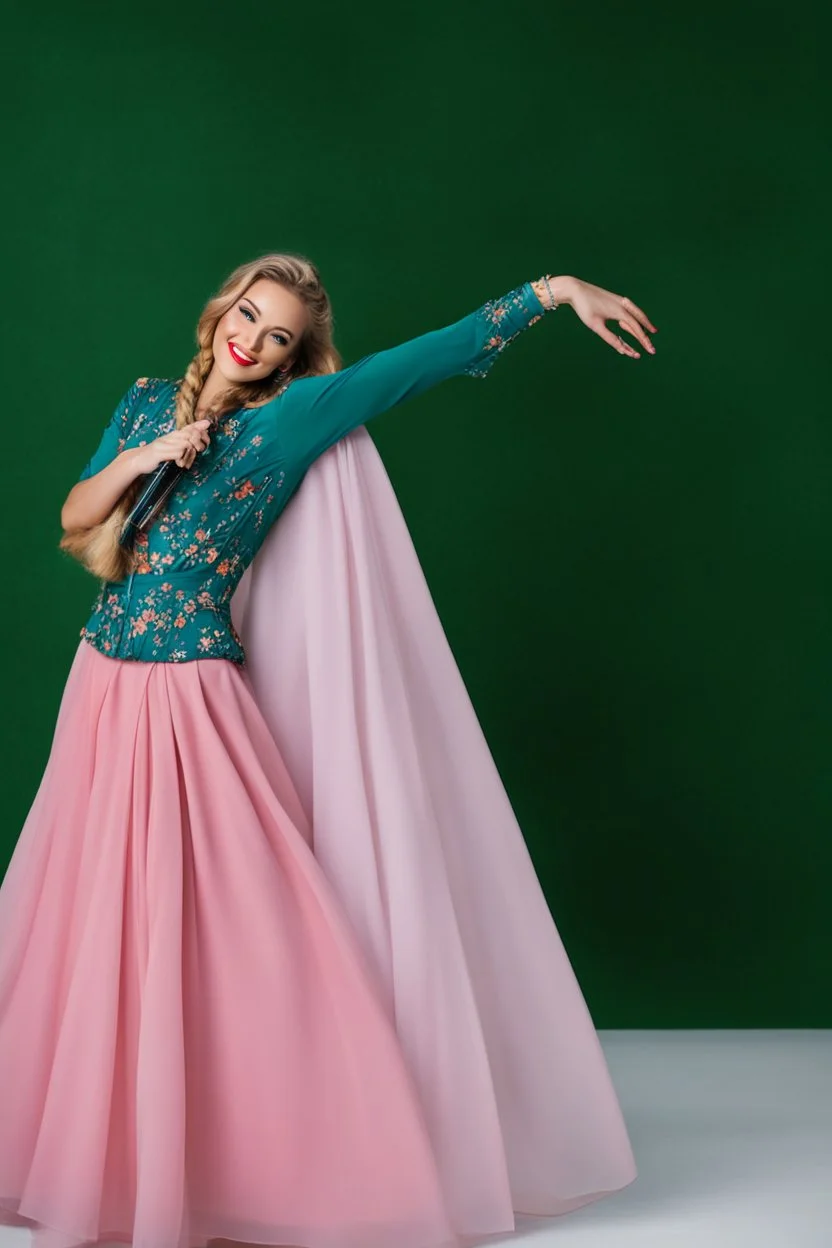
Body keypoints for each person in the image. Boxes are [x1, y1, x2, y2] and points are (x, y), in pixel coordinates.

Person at [0, 253, 656, 1248]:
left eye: (277, 337)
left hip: (193, 693)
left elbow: (416, 363)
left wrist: (551, 295)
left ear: (292, 358)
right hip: (99, 684)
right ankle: (110, 1151)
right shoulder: (141, 404)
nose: (253, 341)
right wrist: (146, 457)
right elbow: (75, 517)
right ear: (222, 309)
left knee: (244, 925)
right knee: (95, 916)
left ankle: (285, 1153)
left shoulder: (286, 421)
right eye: (248, 317)